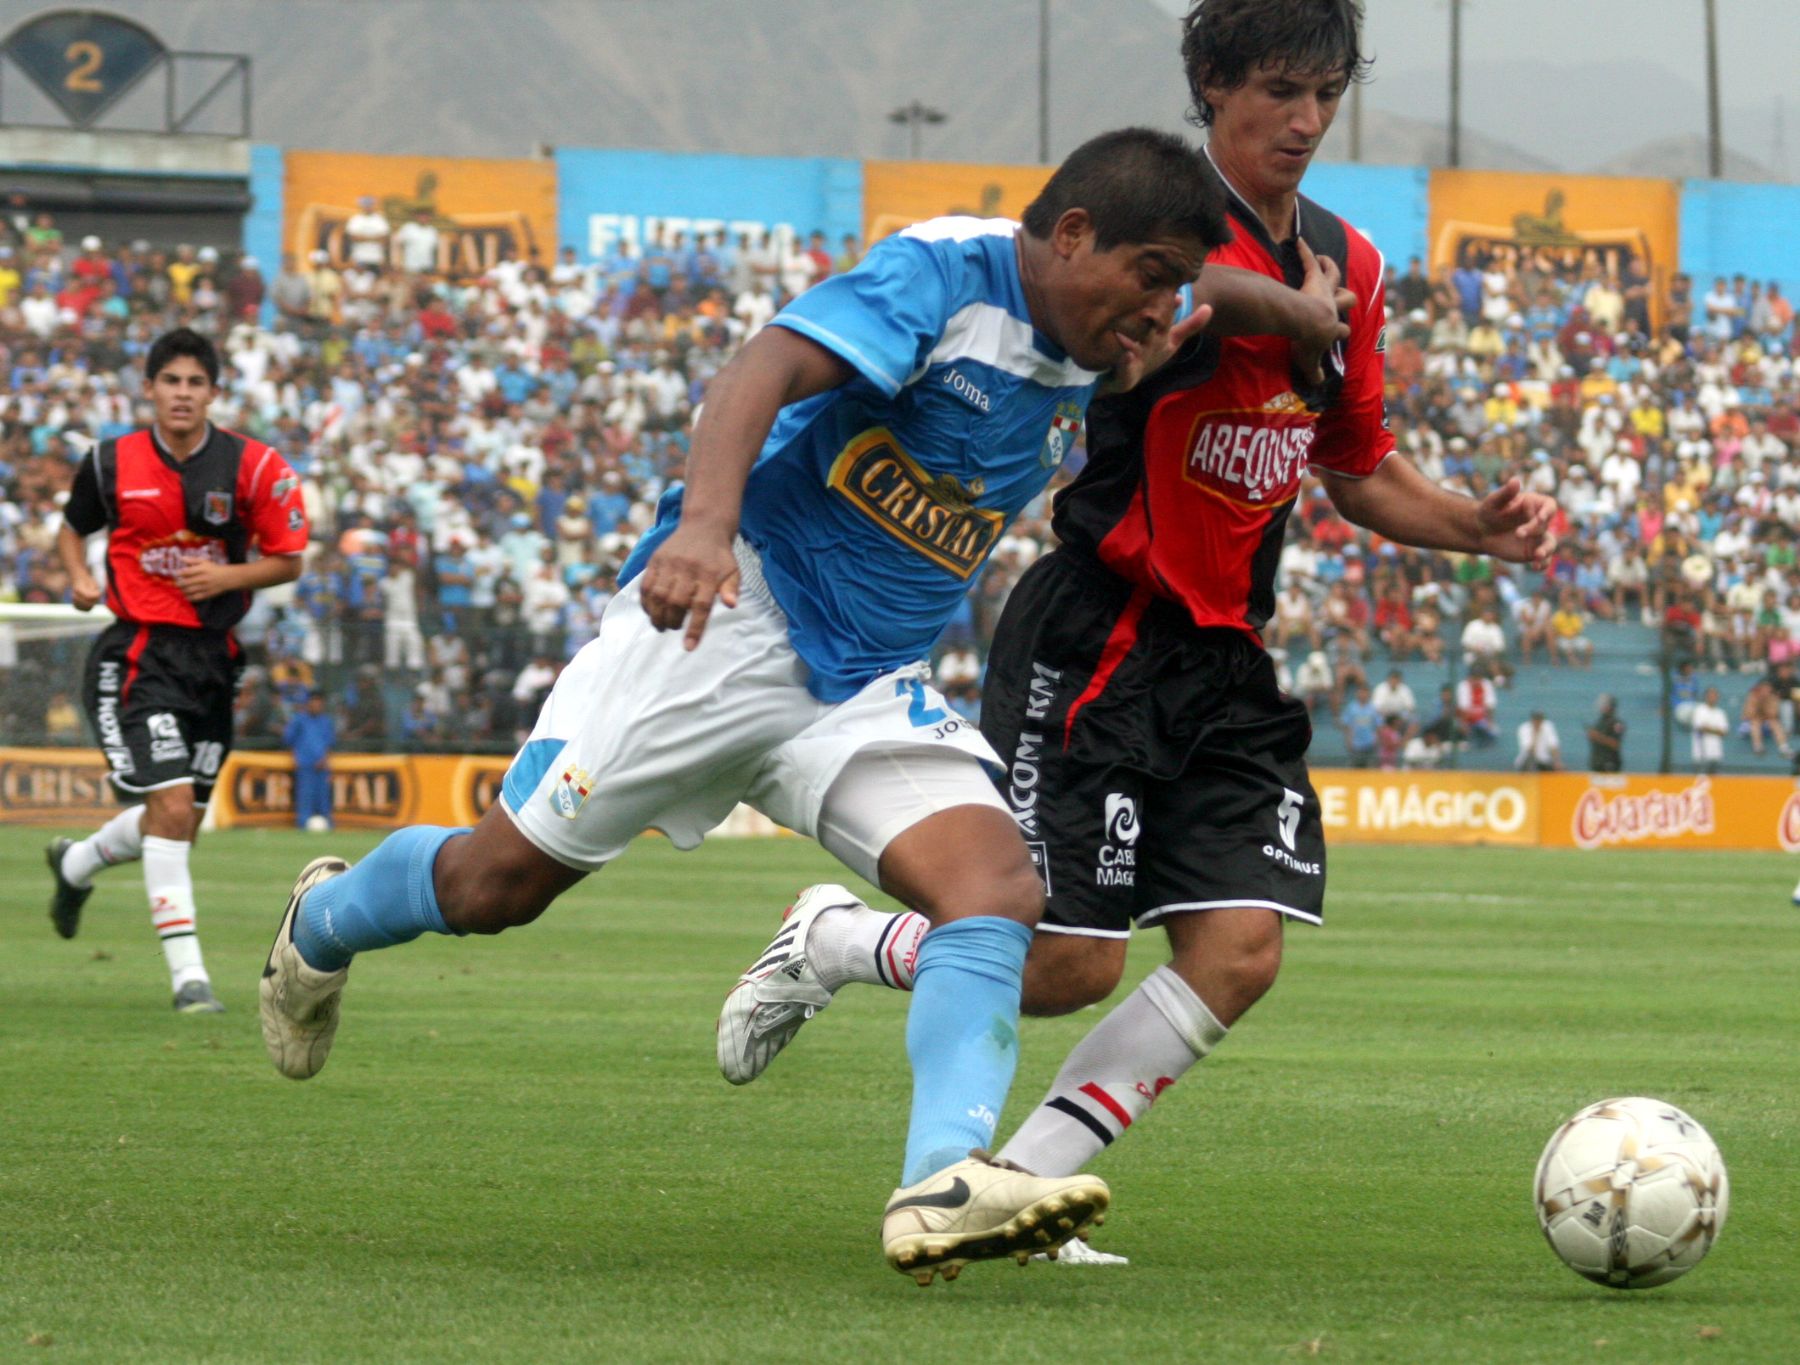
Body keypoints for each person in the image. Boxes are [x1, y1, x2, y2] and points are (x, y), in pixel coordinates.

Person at [259, 128, 1337, 1283]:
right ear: (1074, 237)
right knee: (493, 888)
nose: (1166, 312)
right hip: (726, 625)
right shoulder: (945, 275)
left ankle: (942, 1180)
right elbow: (761, 368)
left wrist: (1297, 315)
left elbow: (1198, 286)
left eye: (1178, 284)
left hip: (862, 682)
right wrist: (704, 528)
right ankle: (323, 923)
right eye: (1153, 277)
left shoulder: (1096, 319)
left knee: (998, 891)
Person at [724, 0, 1558, 1232]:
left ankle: (1011, 1184)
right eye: (1279, 89)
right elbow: (1185, 300)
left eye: (1326, 93)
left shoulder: (1355, 265)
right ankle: (839, 941)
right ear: (1213, 84)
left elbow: (1357, 462)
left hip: (1225, 655)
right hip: (1097, 631)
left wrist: (1469, 526)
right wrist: (1286, 309)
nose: (1307, 119)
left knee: (1239, 954)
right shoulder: (1151, 232)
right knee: (1068, 963)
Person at [46, 327, 309, 1012]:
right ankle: (189, 977)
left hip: (213, 662)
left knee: (178, 820)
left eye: (196, 382)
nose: (183, 393)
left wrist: (226, 575)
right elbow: (72, 529)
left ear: (214, 393)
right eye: (171, 381)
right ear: (150, 389)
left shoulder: (251, 467)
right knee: (166, 808)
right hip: (138, 653)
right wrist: (78, 576)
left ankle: (74, 864)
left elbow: (290, 559)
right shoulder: (111, 462)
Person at [285, 690, 336, 830]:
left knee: (323, 799)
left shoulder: (326, 721)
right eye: (313, 701)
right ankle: (303, 824)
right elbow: (290, 740)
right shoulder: (299, 720)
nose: (316, 704)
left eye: (319, 701)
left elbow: (329, 743)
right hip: (305, 765)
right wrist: (297, 758)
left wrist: (325, 759)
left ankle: (328, 824)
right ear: (307, 703)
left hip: (322, 767)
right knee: (305, 798)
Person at [1691, 686, 1729, 775]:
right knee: (1701, 782)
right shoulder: (1699, 710)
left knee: (1716, 783)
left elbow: (1724, 732)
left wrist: (1709, 728)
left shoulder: (1720, 713)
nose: (1713, 698)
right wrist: (1716, 730)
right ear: (1705, 697)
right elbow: (1700, 727)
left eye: (1715, 695)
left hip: (1716, 754)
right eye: (1710, 695)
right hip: (1701, 754)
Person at [1586, 694, 1625, 773]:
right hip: (1597, 763)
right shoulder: (1600, 722)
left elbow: (1615, 744)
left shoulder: (1616, 723)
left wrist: (1597, 737)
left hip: (1609, 763)